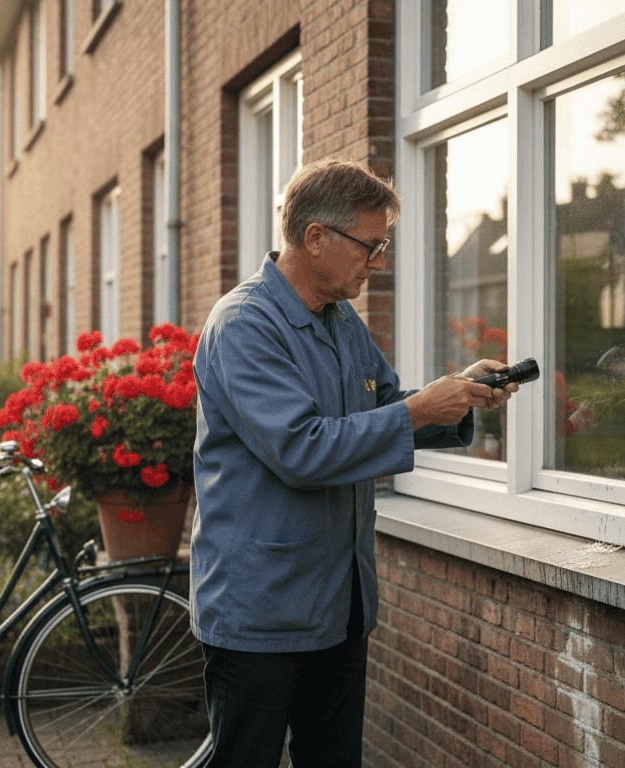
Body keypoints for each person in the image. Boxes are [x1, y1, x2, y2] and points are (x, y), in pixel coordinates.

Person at [189, 158, 518, 768]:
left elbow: (387, 410)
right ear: (315, 238)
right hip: (261, 614)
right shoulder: (243, 325)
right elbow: (303, 449)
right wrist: (419, 410)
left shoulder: (343, 324)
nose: (379, 261)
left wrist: (458, 396)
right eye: (371, 245)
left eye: (382, 245)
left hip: (339, 609)